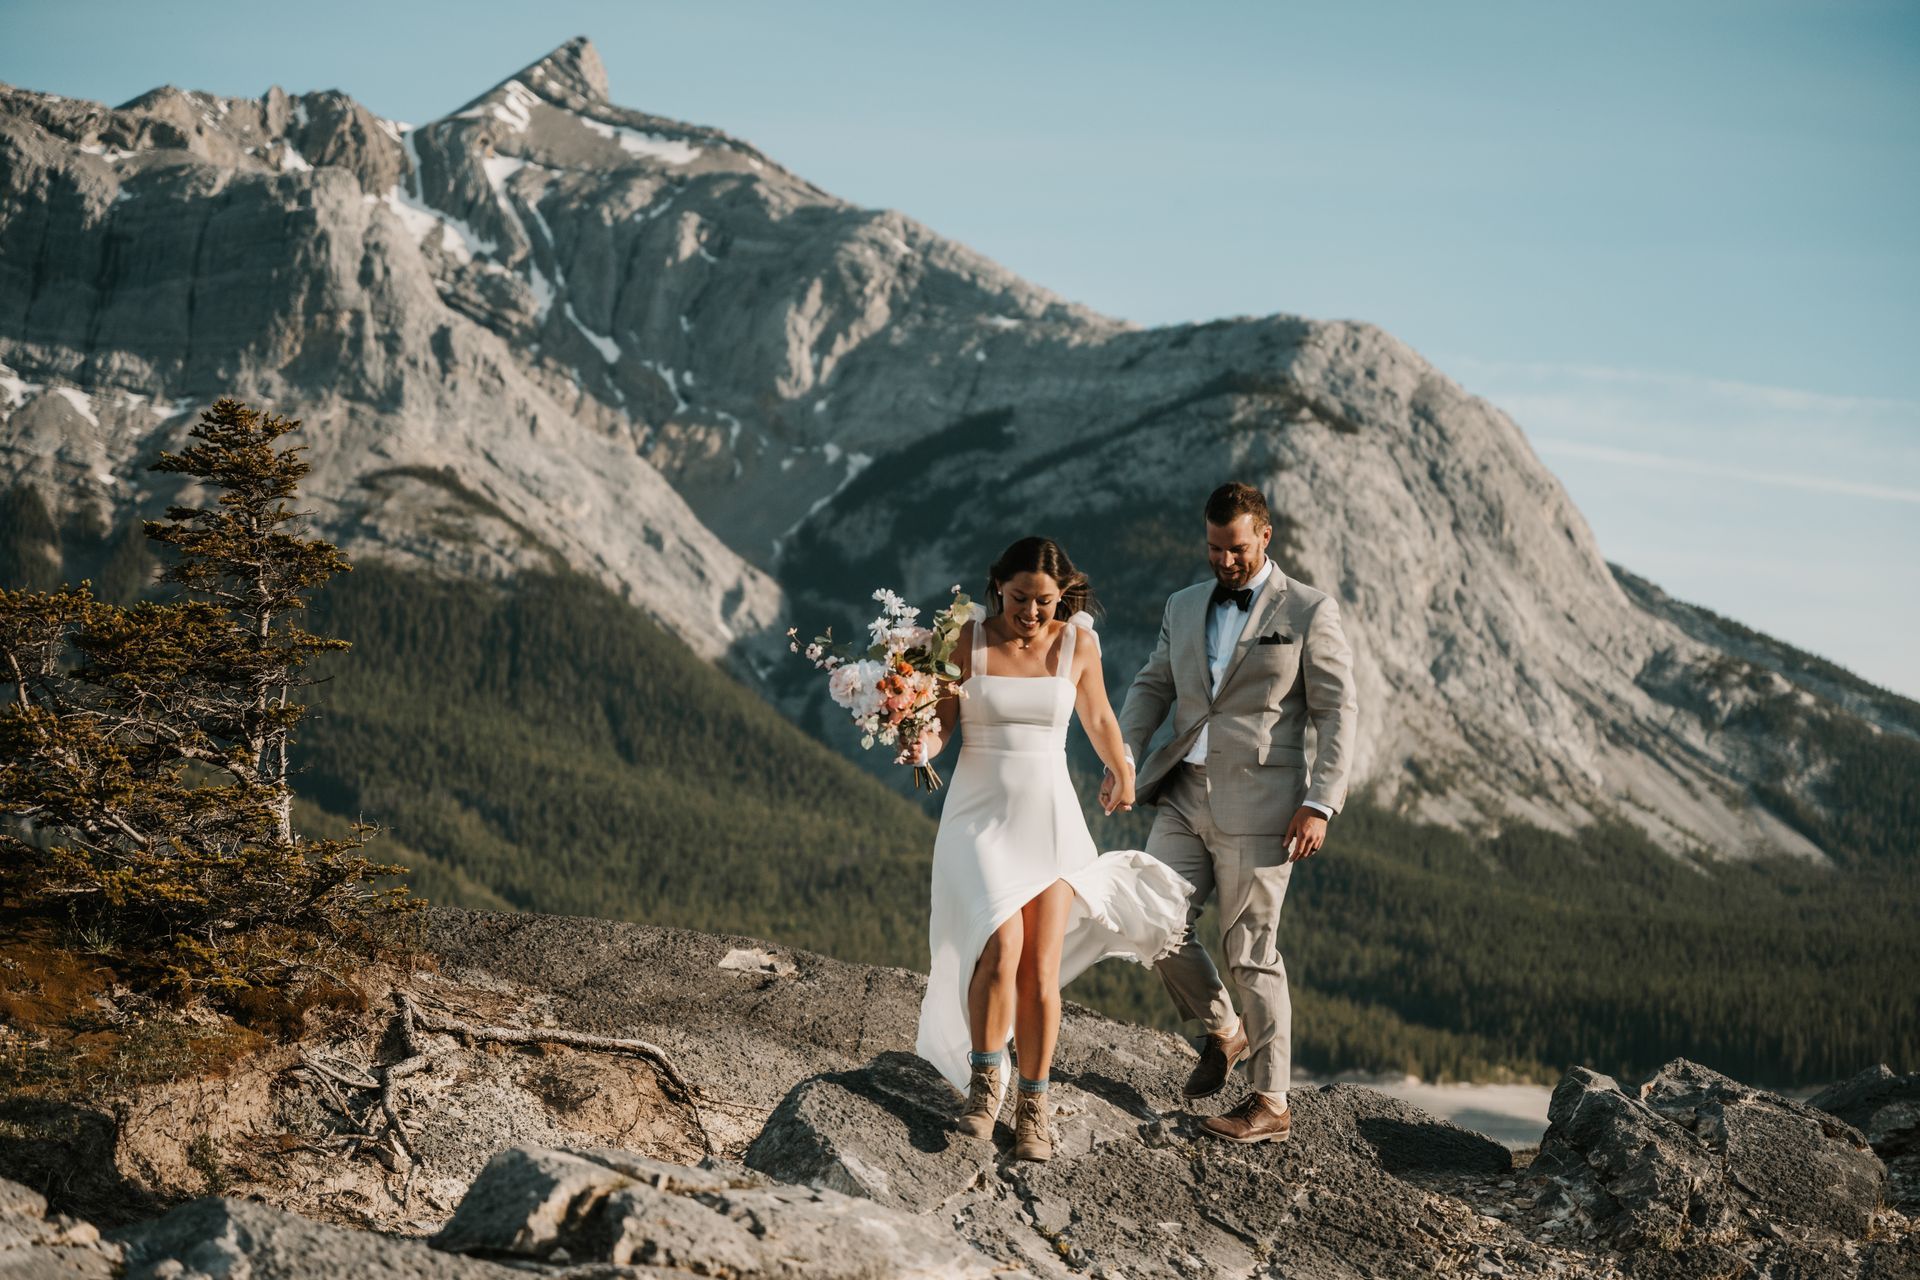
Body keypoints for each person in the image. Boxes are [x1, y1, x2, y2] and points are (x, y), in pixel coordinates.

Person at [913, 536, 1191, 1162]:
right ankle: (985, 1091)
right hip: (977, 817)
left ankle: (1031, 1108)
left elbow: (1097, 719)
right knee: (999, 943)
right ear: (998, 589)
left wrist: (1121, 769)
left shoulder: (1077, 644)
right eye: (1019, 599)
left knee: (1040, 968)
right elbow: (942, 723)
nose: (1031, 613)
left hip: (1051, 816)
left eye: (1043, 601)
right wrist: (919, 744)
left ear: (1061, 596)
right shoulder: (967, 641)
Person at [1107, 482, 1358, 1144]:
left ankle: (1271, 1102)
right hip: (1184, 792)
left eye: (1237, 550)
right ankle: (1224, 1028)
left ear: (1265, 537)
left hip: (1266, 809)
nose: (1224, 562)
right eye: (1214, 549)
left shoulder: (1308, 610)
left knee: (1250, 950)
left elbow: (1336, 712)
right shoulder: (1184, 604)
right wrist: (1125, 758)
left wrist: (1320, 802)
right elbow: (1154, 684)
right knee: (1148, 914)